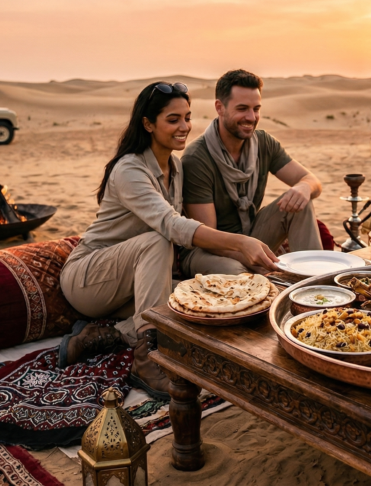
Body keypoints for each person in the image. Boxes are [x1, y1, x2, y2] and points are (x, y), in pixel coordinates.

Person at [58, 82, 279, 399]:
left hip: (134, 282)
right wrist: (240, 242)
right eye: (173, 119)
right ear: (148, 124)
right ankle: (146, 360)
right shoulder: (129, 169)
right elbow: (171, 225)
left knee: (200, 301)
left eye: (187, 117)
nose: (184, 127)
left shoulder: (175, 166)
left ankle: (104, 336)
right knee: (157, 240)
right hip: (89, 280)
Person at [180, 69, 323, 275]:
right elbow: (208, 238)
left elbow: (312, 181)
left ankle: (313, 280)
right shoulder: (197, 158)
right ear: (220, 107)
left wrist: (304, 187)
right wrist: (260, 262)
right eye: (242, 109)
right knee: (238, 272)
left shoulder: (264, 143)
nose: (251, 117)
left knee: (301, 200)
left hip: (251, 239)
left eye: (256, 109)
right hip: (207, 250)